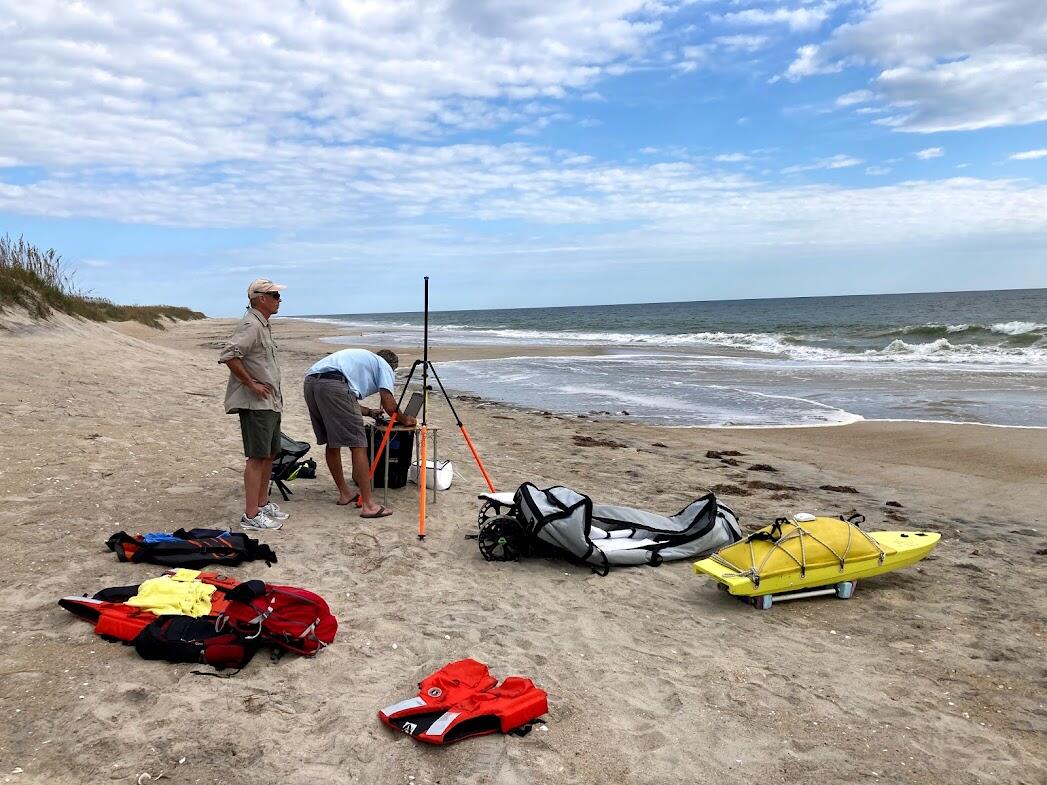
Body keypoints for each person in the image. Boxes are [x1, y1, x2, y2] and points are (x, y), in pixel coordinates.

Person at [303, 348, 417, 518]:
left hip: (311, 383)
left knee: (332, 442)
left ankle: (345, 494)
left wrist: (370, 412)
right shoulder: (384, 365)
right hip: (334, 385)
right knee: (358, 445)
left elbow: (346, 402)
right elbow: (389, 404)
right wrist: (405, 419)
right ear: (392, 366)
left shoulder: (360, 362)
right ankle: (369, 505)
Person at [218, 278, 291, 531]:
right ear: (261, 298)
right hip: (256, 403)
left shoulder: (264, 325)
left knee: (269, 454)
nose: (279, 300)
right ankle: (251, 515)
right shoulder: (251, 324)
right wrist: (251, 384)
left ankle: (261, 504)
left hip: (270, 402)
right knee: (257, 457)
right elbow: (229, 355)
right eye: (275, 295)